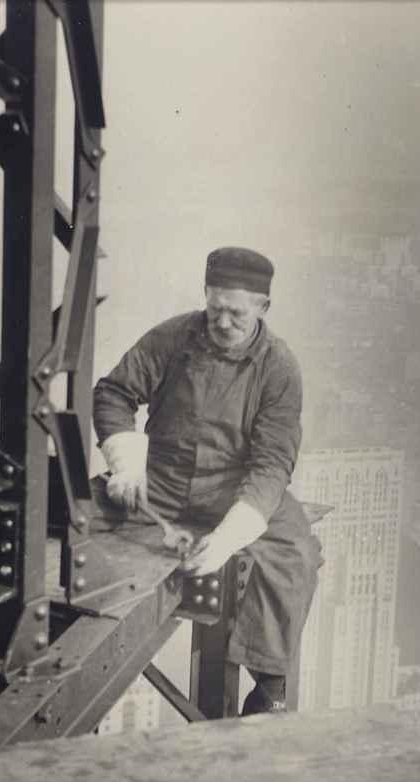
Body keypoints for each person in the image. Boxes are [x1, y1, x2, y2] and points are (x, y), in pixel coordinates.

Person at [93, 246, 321, 715]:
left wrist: (228, 537)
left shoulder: (279, 368)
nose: (222, 322)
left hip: (231, 492)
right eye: (215, 308)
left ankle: (270, 685)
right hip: (161, 482)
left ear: (263, 308)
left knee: (295, 552)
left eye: (236, 313)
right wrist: (125, 461)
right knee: (74, 513)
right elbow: (115, 392)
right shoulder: (173, 337)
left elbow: (273, 463)